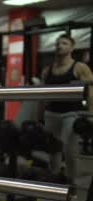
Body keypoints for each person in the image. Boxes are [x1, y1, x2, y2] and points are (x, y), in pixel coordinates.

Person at [39, 34, 93, 182]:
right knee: (53, 150)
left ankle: (71, 184)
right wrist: (39, 116)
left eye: (64, 43)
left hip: (71, 114)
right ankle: (54, 179)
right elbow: (42, 95)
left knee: (69, 151)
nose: (59, 45)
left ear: (72, 48)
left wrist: (90, 114)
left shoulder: (80, 67)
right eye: (57, 43)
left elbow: (90, 92)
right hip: (51, 114)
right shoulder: (47, 70)